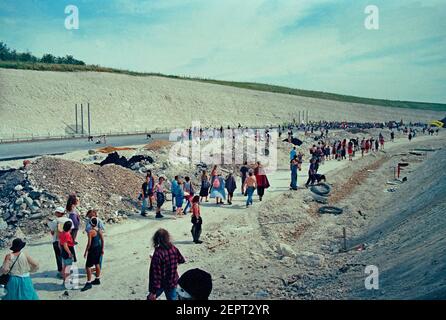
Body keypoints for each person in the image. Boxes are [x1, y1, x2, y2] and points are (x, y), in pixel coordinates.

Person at [147, 229, 185, 300]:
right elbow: (181, 260)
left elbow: (156, 275)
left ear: (156, 239)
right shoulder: (174, 249)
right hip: (172, 281)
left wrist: (153, 292)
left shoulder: (158, 254)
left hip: (161, 284)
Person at [47, 207, 73, 278]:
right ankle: (68, 271)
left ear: (59, 213)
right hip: (67, 241)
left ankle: (61, 272)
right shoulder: (69, 220)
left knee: (59, 256)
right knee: (67, 256)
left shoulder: (55, 221)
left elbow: (52, 231)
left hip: (57, 240)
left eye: (56, 212)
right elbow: (71, 229)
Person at [81, 218, 104, 292]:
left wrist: (85, 251)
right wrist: (102, 249)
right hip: (98, 248)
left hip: (92, 250)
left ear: (90, 224)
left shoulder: (90, 232)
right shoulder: (99, 230)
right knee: (97, 263)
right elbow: (102, 240)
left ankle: (88, 283)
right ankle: (97, 279)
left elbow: (89, 243)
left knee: (88, 266)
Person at [59, 220, 76, 285]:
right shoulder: (67, 234)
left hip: (63, 251)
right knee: (68, 268)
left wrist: (61, 250)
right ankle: (67, 281)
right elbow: (65, 245)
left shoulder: (62, 233)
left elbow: (60, 243)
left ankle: (64, 280)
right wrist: (70, 253)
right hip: (68, 251)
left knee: (64, 267)